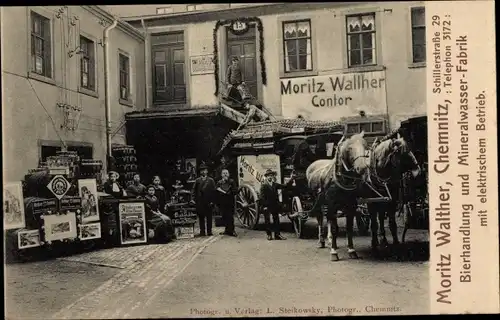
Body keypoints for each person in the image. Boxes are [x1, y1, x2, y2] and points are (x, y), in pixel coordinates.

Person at [259, 169, 295, 241]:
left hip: (275, 205)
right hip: (267, 205)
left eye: (271, 175)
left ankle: (277, 234)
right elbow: (262, 197)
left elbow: (284, 186)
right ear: (266, 177)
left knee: (276, 220)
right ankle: (269, 235)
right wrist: (265, 206)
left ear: (272, 176)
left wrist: (291, 179)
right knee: (267, 220)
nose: (270, 177)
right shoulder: (263, 186)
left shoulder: (275, 184)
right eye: (268, 176)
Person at [191, 163, 216, 236]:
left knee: (209, 218)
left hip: (209, 201)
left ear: (207, 171)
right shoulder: (197, 180)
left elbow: (214, 191)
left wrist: (213, 201)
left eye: (204, 170)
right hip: (200, 201)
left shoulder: (211, 180)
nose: (203, 172)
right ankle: (202, 231)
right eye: (201, 170)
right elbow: (193, 190)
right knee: (201, 217)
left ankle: (209, 231)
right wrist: (193, 199)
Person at [216, 169, 238, 237]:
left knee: (230, 216)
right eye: (223, 173)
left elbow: (235, 191)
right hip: (222, 202)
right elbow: (216, 191)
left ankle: (232, 230)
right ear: (221, 175)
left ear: (228, 174)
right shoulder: (219, 182)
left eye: (226, 173)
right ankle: (226, 230)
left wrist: (228, 192)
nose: (225, 174)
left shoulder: (232, 181)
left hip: (230, 201)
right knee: (224, 216)